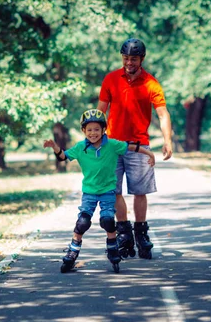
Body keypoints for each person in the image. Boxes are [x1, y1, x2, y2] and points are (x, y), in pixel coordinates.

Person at [43, 109, 155, 273]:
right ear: (84, 131)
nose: (93, 133)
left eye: (96, 129)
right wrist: (54, 147)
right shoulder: (81, 147)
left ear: (103, 130)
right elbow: (63, 156)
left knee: (108, 220)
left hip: (108, 192)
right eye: (89, 130)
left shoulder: (112, 145)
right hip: (89, 192)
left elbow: (130, 147)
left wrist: (148, 153)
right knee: (82, 222)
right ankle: (73, 251)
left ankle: (112, 248)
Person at [97, 38, 172, 259]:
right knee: (114, 190)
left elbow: (162, 114)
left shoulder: (151, 83)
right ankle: (124, 233)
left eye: (134, 58)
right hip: (112, 146)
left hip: (139, 146)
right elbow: (100, 111)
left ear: (142, 59)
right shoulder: (111, 79)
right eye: (126, 58)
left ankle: (141, 234)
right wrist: (95, 140)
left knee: (140, 191)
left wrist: (167, 140)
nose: (129, 62)